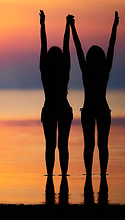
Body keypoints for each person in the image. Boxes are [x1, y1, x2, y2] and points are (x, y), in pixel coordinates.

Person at [69, 11, 119, 176]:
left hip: (90, 109)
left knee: (89, 145)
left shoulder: (86, 69)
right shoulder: (105, 69)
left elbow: (78, 48)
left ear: (89, 58)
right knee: (102, 145)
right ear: (102, 57)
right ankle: (102, 175)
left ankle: (89, 175)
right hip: (101, 109)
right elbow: (111, 46)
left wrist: (72, 27)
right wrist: (114, 26)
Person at [39, 10, 73, 177]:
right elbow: (66, 46)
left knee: (50, 145)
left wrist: (43, 25)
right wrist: (67, 26)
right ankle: (64, 176)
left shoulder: (45, 70)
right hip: (63, 108)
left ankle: (50, 176)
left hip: (50, 108)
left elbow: (43, 45)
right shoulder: (64, 69)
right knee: (63, 145)